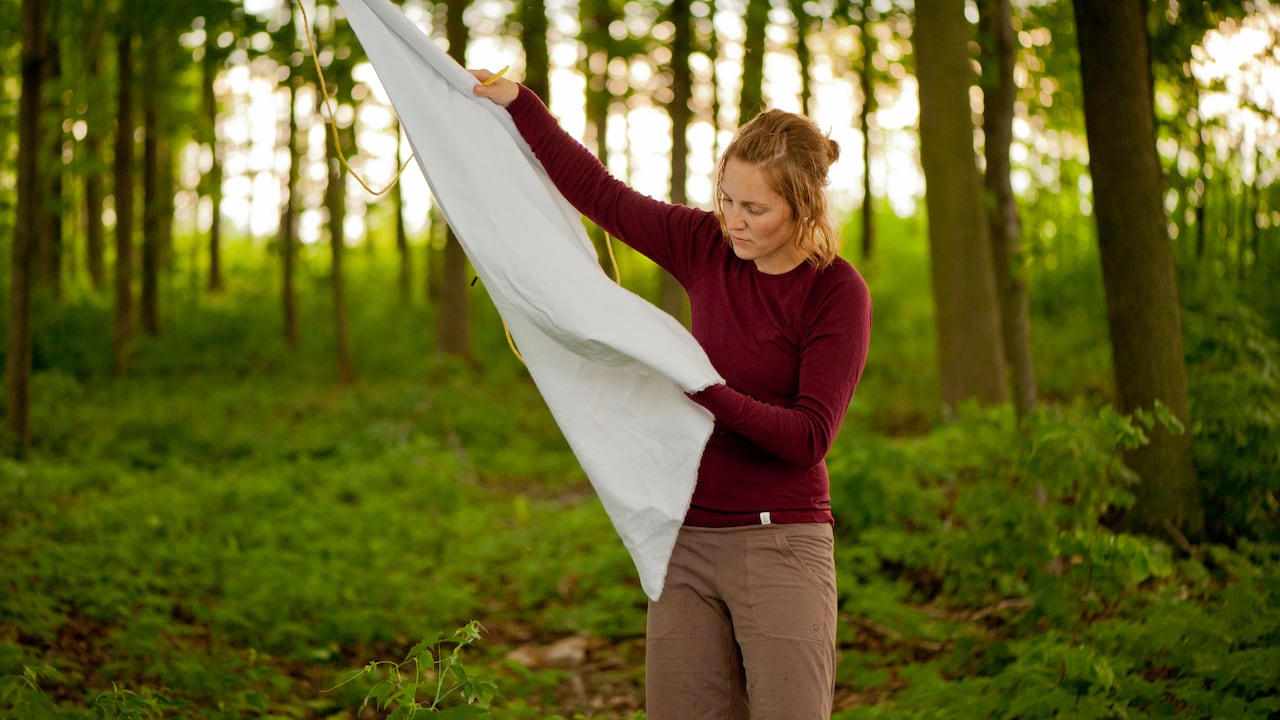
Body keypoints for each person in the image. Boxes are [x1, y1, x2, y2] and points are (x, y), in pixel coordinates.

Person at [471, 69, 872, 720]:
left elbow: (808, 439)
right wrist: (524, 105)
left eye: (755, 208)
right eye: (727, 198)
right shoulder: (704, 244)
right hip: (685, 538)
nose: (733, 221)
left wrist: (704, 388)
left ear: (803, 208)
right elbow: (600, 193)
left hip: (782, 544)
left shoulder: (834, 292)